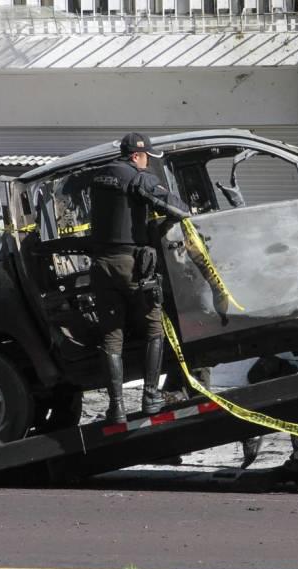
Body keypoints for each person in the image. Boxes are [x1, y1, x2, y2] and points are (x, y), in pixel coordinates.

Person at [89, 132, 190, 423]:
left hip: (101, 266)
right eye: (146, 158)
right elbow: (178, 209)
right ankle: (150, 397)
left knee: (112, 335)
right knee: (154, 328)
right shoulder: (138, 177)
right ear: (136, 155)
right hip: (130, 264)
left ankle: (116, 408)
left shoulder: (99, 177)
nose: (148, 163)